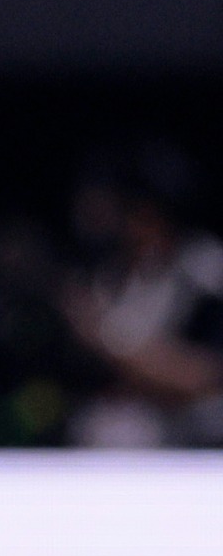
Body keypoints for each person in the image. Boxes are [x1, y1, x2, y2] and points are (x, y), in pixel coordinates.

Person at [60, 141, 223, 449]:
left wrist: (111, 343)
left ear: (148, 211)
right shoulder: (110, 272)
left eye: (123, 209)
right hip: (118, 426)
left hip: (190, 435)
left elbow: (207, 378)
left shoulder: (205, 271)